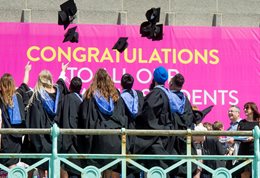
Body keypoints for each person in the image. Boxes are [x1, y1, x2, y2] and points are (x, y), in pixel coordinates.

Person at [78, 68, 128, 178]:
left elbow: (85, 118)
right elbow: (123, 117)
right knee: (113, 171)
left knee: (97, 171)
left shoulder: (90, 95)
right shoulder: (116, 95)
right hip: (115, 139)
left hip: (98, 140)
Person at [25, 68, 67, 177]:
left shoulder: (37, 97)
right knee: (55, 167)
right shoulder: (59, 93)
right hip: (57, 137)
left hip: (42, 139)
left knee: (42, 169)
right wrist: (63, 71)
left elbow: (34, 121)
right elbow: (61, 82)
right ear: (50, 79)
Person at [0, 63, 31, 168]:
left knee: (6, 164)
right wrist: (27, 71)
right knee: (13, 164)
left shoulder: (1, 98)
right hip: (17, 136)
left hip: (5, 136)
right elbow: (24, 84)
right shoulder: (18, 94)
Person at [237, 102, 260, 178]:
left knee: (256, 171)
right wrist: (242, 139)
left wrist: (253, 138)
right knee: (244, 172)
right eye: (244, 108)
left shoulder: (258, 122)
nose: (245, 110)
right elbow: (237, 135)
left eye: (247, 108)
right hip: (243, 149)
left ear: (253, 110)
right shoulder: (241, 122)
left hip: (255, 149)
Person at [225, 105, 242, 176]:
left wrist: (234, 140)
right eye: (228, 111)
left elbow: (245, 137)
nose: (229, 113)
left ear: (238, 113)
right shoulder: (230, 127)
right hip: (230, 154)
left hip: (239, 153)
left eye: (231, 111)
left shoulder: (242, 123)